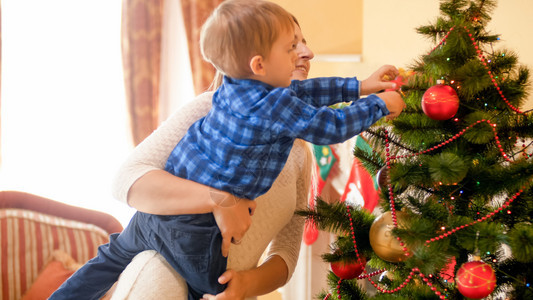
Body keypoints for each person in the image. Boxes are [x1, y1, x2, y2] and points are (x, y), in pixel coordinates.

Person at [52, 0, 404, 299]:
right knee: (206, 286)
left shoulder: (236, 93)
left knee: (105, 263)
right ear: (259, 64)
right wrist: (380, 105)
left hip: (148, 224)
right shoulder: (231, 104)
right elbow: (331, 126)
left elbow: (307, 93)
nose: (307, 52)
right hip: (194, 235)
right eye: (292, 45)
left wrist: (361, 86)